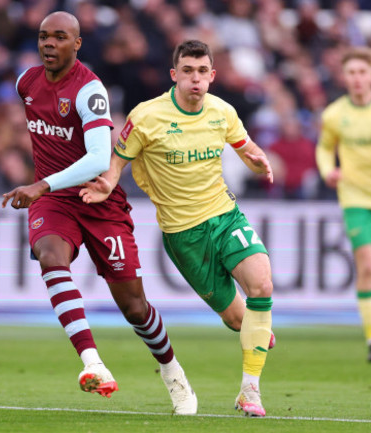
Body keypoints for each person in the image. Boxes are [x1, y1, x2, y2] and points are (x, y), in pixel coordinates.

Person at [1, 11, 197, 415]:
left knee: (135, 309)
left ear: (77, 44)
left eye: (59, 37)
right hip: (54, 201)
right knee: (50, 256)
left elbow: (96, 159)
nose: (48, 44)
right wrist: (43, 189)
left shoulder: (90, 91)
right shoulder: (26, 83)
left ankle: (174, 374)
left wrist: (39, 184)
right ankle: (93, 363)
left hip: (98, 202)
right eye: (43, 37)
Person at [79, 40, 275, 417]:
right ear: (174, 75)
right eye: (188, 71)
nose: (195, 80)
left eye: (202, 72)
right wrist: (107, 182)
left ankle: (250, 391)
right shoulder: (147, 116)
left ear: (212, 76)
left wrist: (258, 160)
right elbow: (118, 161)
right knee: (240, 320)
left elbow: (245, 147)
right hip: (184, 235)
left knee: (262, 285)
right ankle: (253, 339)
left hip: (224, 215)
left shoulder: (222, 111)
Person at [316, 46, 371, 363]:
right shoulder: (334, 114)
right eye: (351, 73)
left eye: (362, 72)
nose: (357, 79)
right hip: (355, 198)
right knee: (366, 265)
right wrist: (329, 171)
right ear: (344, 77)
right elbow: (324, 149)